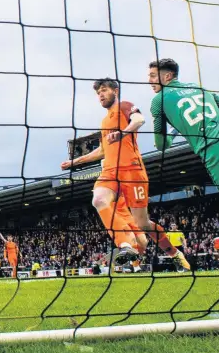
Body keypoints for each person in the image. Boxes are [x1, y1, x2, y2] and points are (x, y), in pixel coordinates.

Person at [61, 78, 189, 271]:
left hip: (132, 170)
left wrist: (124, 132)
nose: (101, 95)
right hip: (111, 171)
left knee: (143, 223)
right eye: (98, 93)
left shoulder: (124, 106)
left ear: (115, 90)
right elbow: (103, 150)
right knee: (99, 200)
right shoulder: (104, 121)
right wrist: (75, 162)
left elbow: (140, 120)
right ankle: (125, 244)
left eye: (104, 90)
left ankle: (174, 253)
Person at [148, 58, 219, 186]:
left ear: (168, 76)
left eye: (153, 76)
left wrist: (173, 132)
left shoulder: (158, 100)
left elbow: (162, 145)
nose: (149, 81)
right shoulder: (199, 87)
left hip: (212, 148)